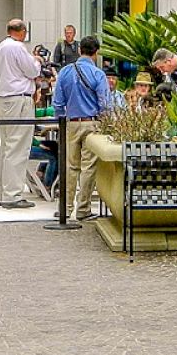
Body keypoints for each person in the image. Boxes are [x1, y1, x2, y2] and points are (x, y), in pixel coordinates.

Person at [51, 35, 109, 221]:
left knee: (70, 166)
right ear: (96, 52)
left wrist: (61, 120)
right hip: (92, 122)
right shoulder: (98, 74)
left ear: (79, 50)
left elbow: (58, 102)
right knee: (89, 166)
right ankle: (83, 208)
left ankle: (65, 208)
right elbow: (105, 103)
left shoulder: (66, 72)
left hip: (72, 122)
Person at [0, 18, 42, 208]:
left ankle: (3, 191)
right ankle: (12, 195)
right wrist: (37, 61)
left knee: (6, 146)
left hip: (3, 100)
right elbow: (31, 70)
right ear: (23, 32)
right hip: (18, 99)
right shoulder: (17, 47)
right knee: (18, 147)